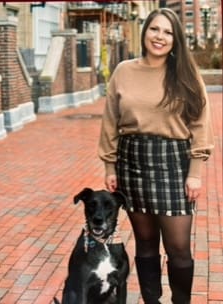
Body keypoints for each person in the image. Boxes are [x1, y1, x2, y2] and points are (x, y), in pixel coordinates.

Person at [98, 8, 214, 304]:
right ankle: (152, 301)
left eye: (167, 32)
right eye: (154, 29)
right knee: (145, 244)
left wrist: (195, 171)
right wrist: (110, 165)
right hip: (132, 162)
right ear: (145, 32)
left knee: (178, 249)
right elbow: (110, 120)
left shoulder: (186, 74)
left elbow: (200, 123)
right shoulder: (124, 71)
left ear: (175, 40)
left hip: (174, 163)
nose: (159, 37)